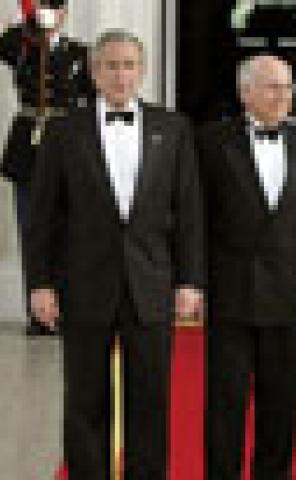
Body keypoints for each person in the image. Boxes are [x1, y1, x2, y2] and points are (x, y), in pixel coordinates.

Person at [27, 29, 204, 479]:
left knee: (151, 399)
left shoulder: (174, 127)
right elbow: (42, 215)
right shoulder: (65, 131)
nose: (121, 75)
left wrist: (190, 281)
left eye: (129, 65)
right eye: (111, 65)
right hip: (83, 284)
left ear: (142, 71)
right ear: (94, 72)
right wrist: (40, 283)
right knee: (85, 399)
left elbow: (188, 211)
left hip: (151, 283)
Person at [198, 54, 296, 480]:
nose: (283, 95)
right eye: (273, 86)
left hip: (289, 293)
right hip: (229, 293)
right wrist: (194, 283)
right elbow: (196, 219)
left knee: (280, 403)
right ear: (245, 93)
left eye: (288, 87)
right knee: (225, 404)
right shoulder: (210, 142)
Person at [0, 0, 94, 335]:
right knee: (32, 230)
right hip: (27, 148)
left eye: (54, 6)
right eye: (41, 6)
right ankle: (38, 314)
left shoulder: (80, 53)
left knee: (68, 231)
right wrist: (27, 27)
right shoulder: (21, 46)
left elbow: (92, 101)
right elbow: (5, 46)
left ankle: (66, 308)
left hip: (66, 146)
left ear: (65, 12)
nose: (48, 13)